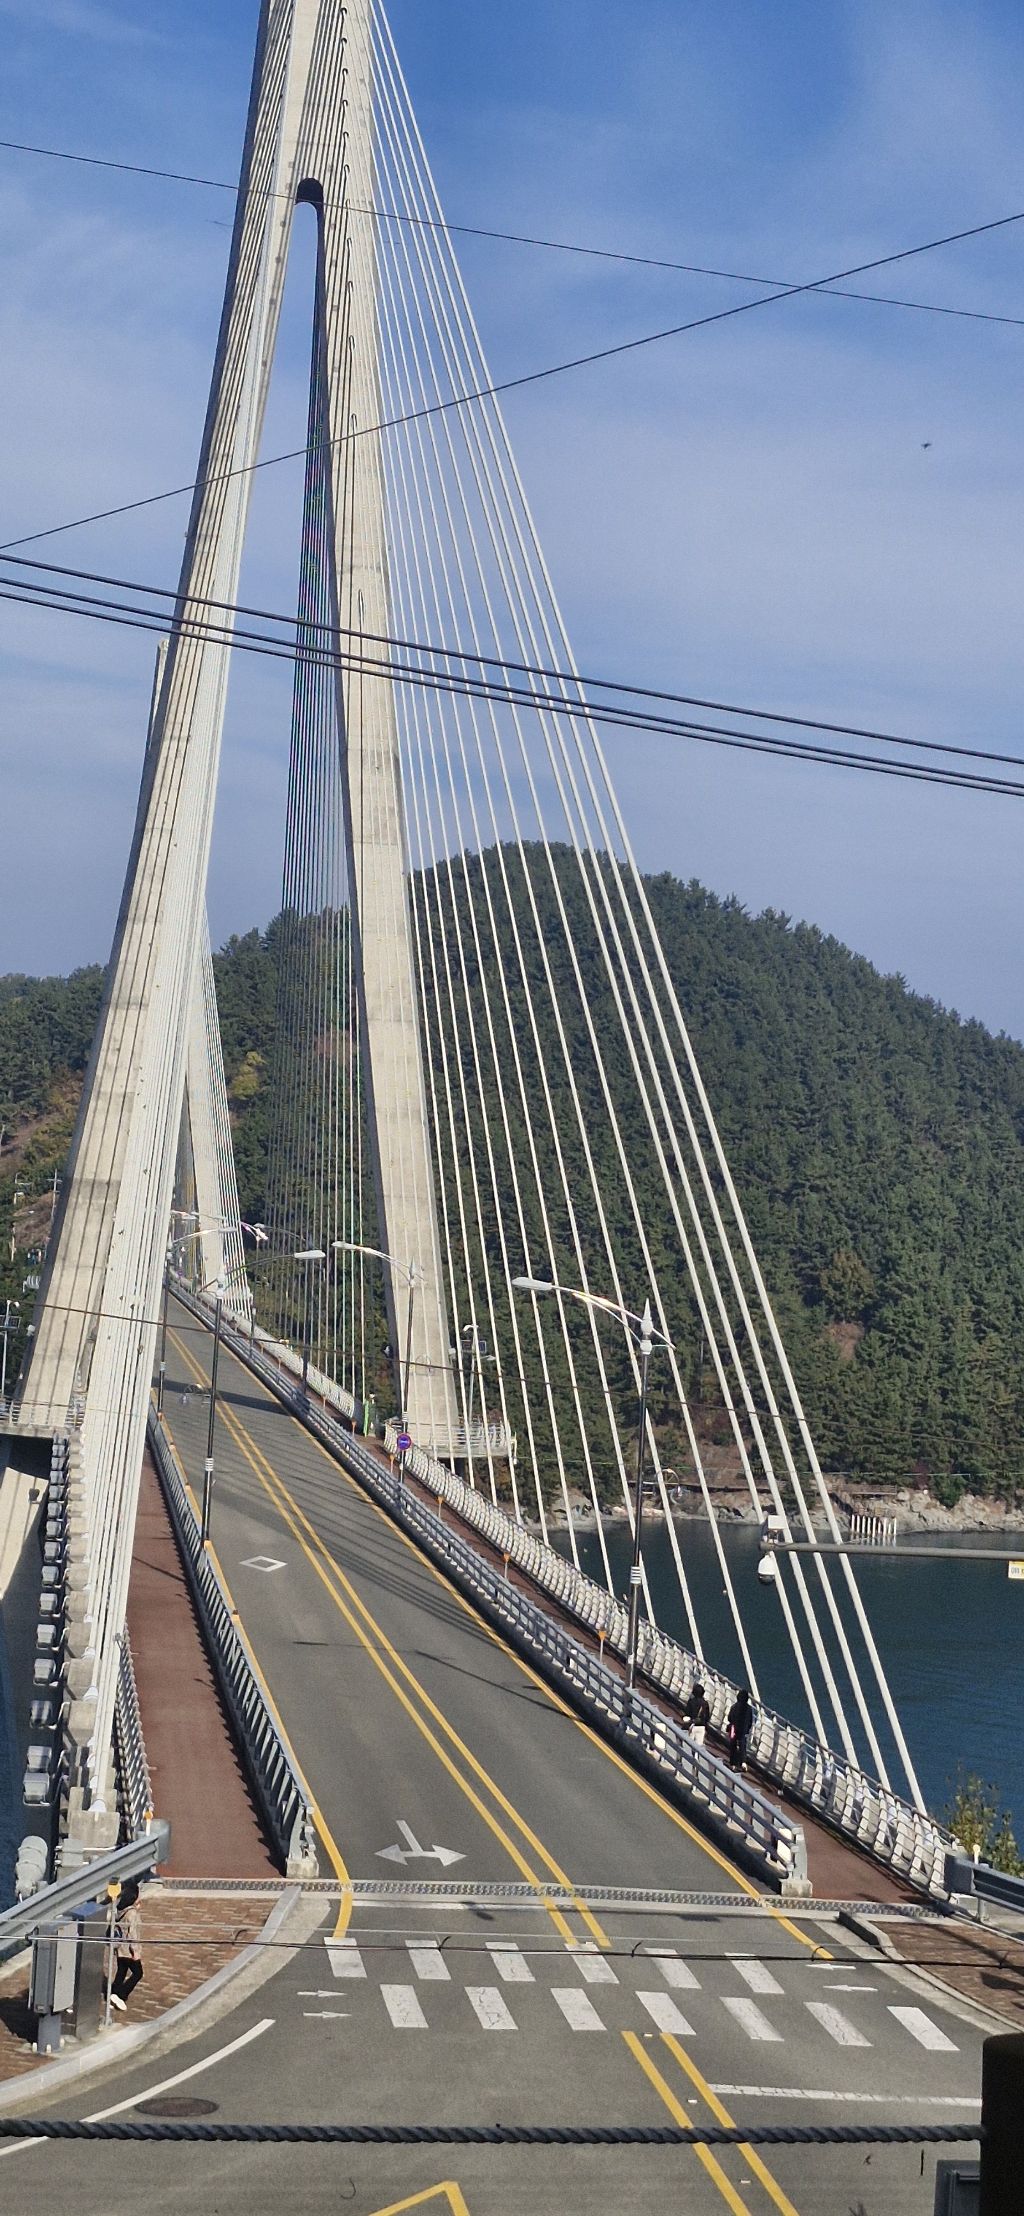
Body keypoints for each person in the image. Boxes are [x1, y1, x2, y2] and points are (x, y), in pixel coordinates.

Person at [109, 1882, 143, 2013]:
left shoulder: (121, 1909)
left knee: (121, 1971)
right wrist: (135, 1951)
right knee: (138, 1973)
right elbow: (132, 1934)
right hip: (128, 1950)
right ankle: (121, 1994)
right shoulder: (132, 1914)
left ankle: (113, 1993)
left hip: (120, 1947)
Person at [727, 1688, 754, 1772]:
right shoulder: (749, 1709)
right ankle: (743, 1762)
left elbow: (729, 1718)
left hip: (734, 1729)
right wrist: (747, 1728)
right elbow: (750, 1721)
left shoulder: (734, 1706)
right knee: (743, 1746)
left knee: (733, 1745)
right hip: (743, 1730)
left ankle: (733, 1763)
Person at [683, 1680, 711, 1747]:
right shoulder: (705, 1703)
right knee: (698, 1746)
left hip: (692, 1725)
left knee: (689, 1745)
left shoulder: (691, 1701)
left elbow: (687, 1713)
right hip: (702, 1726)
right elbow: (707, 1717)